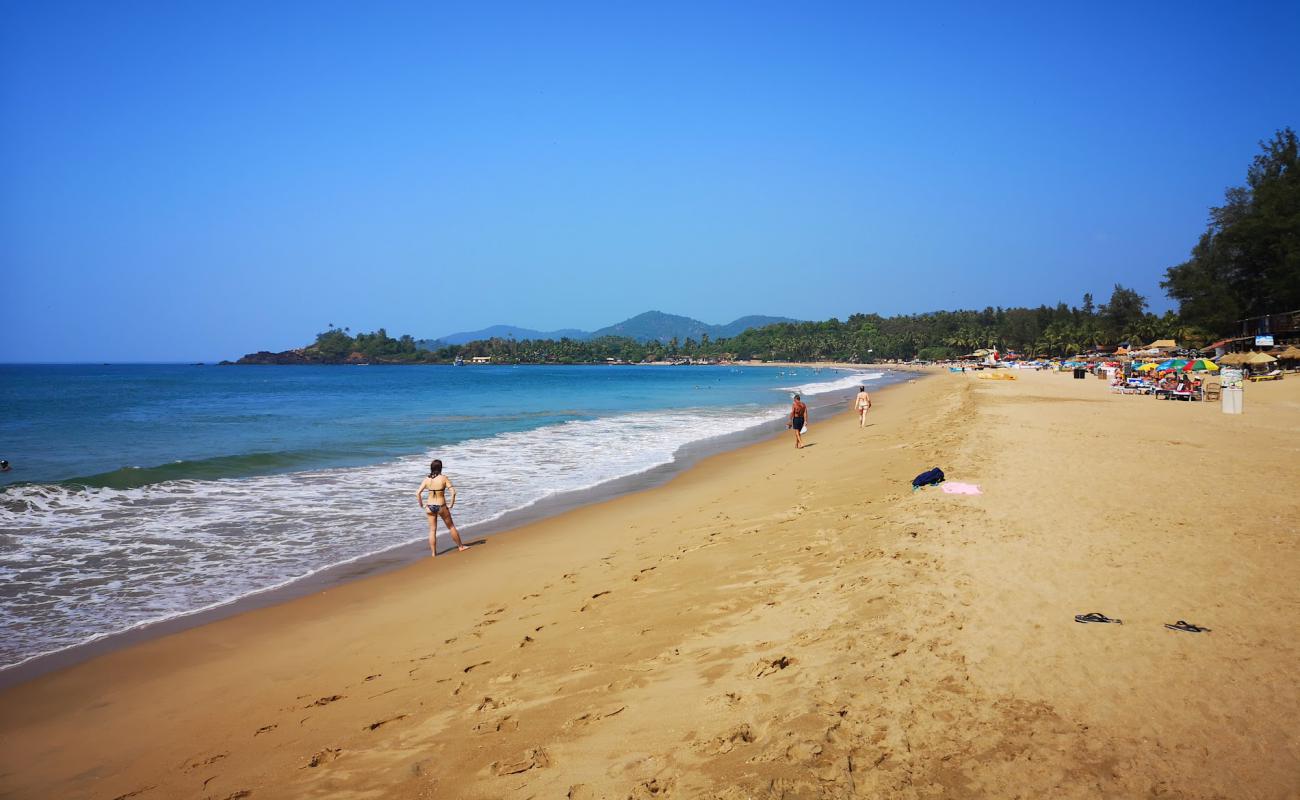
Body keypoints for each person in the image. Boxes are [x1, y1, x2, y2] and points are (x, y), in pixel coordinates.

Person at [415, 459, 467, 556]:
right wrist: (451, 504)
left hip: (429, 506)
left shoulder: (426, 479)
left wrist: (421, 505)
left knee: (432, 530)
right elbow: (453, 492)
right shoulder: (444, 478)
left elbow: (417, 493)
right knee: (451, 527)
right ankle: (461, 546)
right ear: (440, 468)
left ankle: (434, 553)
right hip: (441, 506)